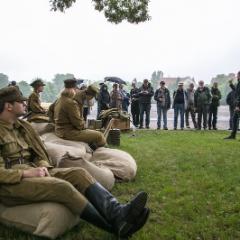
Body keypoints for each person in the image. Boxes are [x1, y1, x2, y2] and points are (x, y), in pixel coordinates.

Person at [0, 86, 150, 239]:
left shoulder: (24, 127)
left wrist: (42, 165)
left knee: (79, 174)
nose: (25, 104)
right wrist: (25, 173)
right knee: (62, 187)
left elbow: (39, 153)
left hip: (35, 172)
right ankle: (116, 226)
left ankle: (117, 212)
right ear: (8, 106)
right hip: (10, 185)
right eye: (21, 101)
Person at [53, 79, 106, 149]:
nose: (77, 91)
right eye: (75, 89)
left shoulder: (60, 99)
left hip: (61, 129)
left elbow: (50, 111)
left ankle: (93, 148)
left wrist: (57, 124)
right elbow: (78, 123)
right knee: (99, 136)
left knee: (92, 134)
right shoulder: (71, 103)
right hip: (68, 132)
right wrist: (85, 127)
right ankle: (99, 153)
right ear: (72, 90)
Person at [224, 71, 240, 139]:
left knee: (235, 118)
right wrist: (231, 84)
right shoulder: (239, 83)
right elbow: (236, 91)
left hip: (239, 105)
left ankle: (233, 135)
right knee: (234, 118)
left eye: (238, 75)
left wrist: (238, 105)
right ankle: (233, 135)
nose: (237, 76)